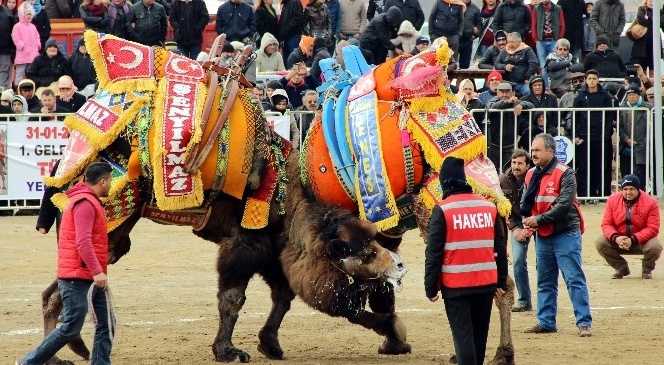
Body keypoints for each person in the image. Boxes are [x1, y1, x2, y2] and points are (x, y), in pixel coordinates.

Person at [16, 162, 114, 365]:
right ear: (103, 182)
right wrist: (98, 272)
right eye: (111, 181)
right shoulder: (85, 204)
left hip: (85, 274)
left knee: (106, 323)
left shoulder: (86, 201)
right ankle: (29, 362)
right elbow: (83, 242)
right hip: (78, 276)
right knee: (71, 326)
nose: (112, 185)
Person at [425, 156, 508, 365]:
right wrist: (500, 281)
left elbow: (433, 253)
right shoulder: (489, 207)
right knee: (479, 337)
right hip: (486, 282)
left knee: (463, 337)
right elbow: (500, 247)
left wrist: (430, 287)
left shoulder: (443, 209)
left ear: (445, 183)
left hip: (456, 285)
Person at [521, 133, 592, 337]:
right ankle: (545, 321)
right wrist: (527, 219)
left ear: (551, 152)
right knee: (545, 280)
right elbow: (526, 202)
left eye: (537, 150)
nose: (533, 154)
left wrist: (537, 220)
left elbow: (564, 206)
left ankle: (584, 322)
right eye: (532, 150)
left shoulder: (565, 173)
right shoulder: (531, 174)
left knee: (573, 278)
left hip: (565, 232)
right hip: (543, 233)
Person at [595, 174, 662, 279]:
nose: (628, 192)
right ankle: (621, 268)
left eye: (632, 189)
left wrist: (633, 239)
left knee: (655, 246)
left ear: (638, 189)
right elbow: (606, 224)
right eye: (625, 189)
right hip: (620, 240)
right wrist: (616, 238)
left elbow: (653, 228)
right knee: (600, 242)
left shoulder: (651, 202)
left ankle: (647, 270)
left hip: (641, 241)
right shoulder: (612, 200)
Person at [499, 149, 533, 312]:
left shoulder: (536, 177)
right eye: (514, 162)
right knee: (518, 260)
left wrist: (531, 226)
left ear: (528, 165)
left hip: (538, 219)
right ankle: (525, 299)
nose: (516, 166)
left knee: (545, 263)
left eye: (520, 163)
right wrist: (514, 228)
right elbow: (502, 208)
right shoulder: (503, 180)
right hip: (515, 222)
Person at [572, 69, 614, 199]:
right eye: (589, 78)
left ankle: (603, 193)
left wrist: (607, 134)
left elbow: (609, 116)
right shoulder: (580, 96)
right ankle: (586, 195)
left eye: (594, 78)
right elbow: (575, 116)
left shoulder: (605, 96)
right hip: (584, 136)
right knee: (584, 166)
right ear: (586, 80)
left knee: (602, 165)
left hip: (601, 136)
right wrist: (576, 134)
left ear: (598, 80)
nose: (591, 81)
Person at [485, 82, 534, 171]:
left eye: (507, 92)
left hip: (509, 146)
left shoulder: (515, 102)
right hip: (494, 145)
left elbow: (531, 105)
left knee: (508, 171)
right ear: (497, 93)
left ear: (512, 93)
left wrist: (521, 105)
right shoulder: (492, 101)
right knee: (492, 171)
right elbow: (491, 106)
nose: (505, 94)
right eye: (502, 92)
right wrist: (507, 102)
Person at [618, 84, 652, 187]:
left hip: (642, 147)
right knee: (626, 174)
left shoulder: (648, 108)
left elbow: (652, 128)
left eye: (633, 94)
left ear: (639, 95)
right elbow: (619, 127)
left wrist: (645, 141)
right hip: (625, 147)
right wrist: (626, 138)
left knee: (640, 175)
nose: (631, 97)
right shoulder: (622, 107)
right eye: (629, 95)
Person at [530, 0, 565, 88]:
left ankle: (556, 87)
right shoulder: (537, 9)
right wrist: (536, 39)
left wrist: (559, 38)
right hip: (541, 41)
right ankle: (545, 88)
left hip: (554, 40)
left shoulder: (557, 8)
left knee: (556, 63)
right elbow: (534, 25)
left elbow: (562, 24)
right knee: (543, 66)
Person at [494, 32, 539, 97]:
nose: (510, 44)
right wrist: (504, 66)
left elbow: (534, 63)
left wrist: (528, 77)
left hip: (523, 82)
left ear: (519, 42)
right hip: (507, 83)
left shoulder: (527, 49)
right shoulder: (504, 51)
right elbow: (496, 64)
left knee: (528, 91)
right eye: (509, 42)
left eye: (513, 42)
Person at [11, 2, 41, 86]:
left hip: (33, 54)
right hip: (23, 53)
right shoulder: (17, 26)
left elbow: (37, 36)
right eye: (27, 14)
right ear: (22, 14)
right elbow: (15, 37)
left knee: (31, 73)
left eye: (30, 14)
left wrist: (38, 44)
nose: (29, 16)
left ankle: (30, 87)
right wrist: (21, 45)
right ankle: (18, 87)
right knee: (20, 72)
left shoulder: (33, 26)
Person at [278, 0, 306, 65]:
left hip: (293, 36)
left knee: (293, 60)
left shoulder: (294, 2)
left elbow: (298, 19)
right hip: (287, 37)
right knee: (287, 60)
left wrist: (285, 29)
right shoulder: (287, 3)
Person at [631, 0, 654, 71]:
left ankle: (652, 81)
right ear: (646, 1)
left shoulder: (658, 11)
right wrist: (651, 22)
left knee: (652, 65)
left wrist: (648, 18)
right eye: (650, 1)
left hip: (653, 43)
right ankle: (642, 80)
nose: (652, 3)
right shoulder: (642, 9)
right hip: (642, 43)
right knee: (642, 65)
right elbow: (640, 19)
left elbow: (660, 21)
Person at [458, 0, 481, 69]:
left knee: (465, 65)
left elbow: (479, 24)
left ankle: (463, 79)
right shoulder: (455, 6)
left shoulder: (475, 8)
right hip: (455, 40)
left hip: (468, 40)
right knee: (450, 64)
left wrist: (475, 35)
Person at [0, 1, 15, 90]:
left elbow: (13, 32)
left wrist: (13, 49)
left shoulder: (8, 13)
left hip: (5, 49)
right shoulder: (8, 13)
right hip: (6, 48)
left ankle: (2, 94)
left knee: (4, 71)